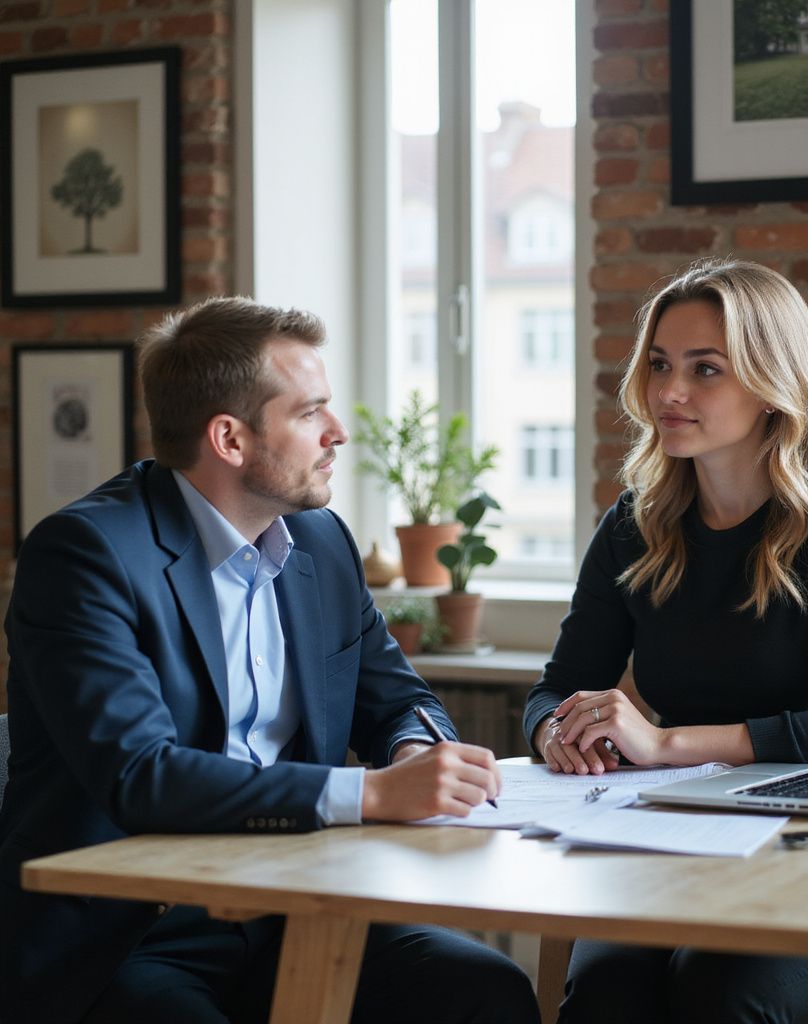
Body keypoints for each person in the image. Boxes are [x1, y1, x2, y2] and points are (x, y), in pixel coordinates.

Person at [0, 297, 540, 1024]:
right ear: (229, 438)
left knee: (484, 990)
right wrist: (373, 795)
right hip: (132, 931)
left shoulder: (318, 541)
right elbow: (140, 775)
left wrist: (417, 749)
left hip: (298, 901)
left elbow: (395, 696)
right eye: (310, 412)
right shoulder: (86, 556)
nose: (338, 433)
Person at [522, 258, 808, 1024]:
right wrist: (559, 731)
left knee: (719, 997)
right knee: (606, 998)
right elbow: (558, 684)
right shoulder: (637, 522)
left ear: (775, 383)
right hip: (667, 845)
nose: (670, 392)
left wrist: (667, 745)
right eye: (661, 365)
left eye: (706, 370)